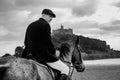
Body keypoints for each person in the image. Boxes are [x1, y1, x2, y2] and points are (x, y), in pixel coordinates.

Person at [21, 9, 71, 80]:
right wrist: (54, 52)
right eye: (50, 16)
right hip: (42, 56)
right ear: (43, 15)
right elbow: (48, 42)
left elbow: (26, 42)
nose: (51, 18)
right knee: (65, 69)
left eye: (52, 17)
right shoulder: (45, 25)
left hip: (28, 54)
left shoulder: (31, 25)